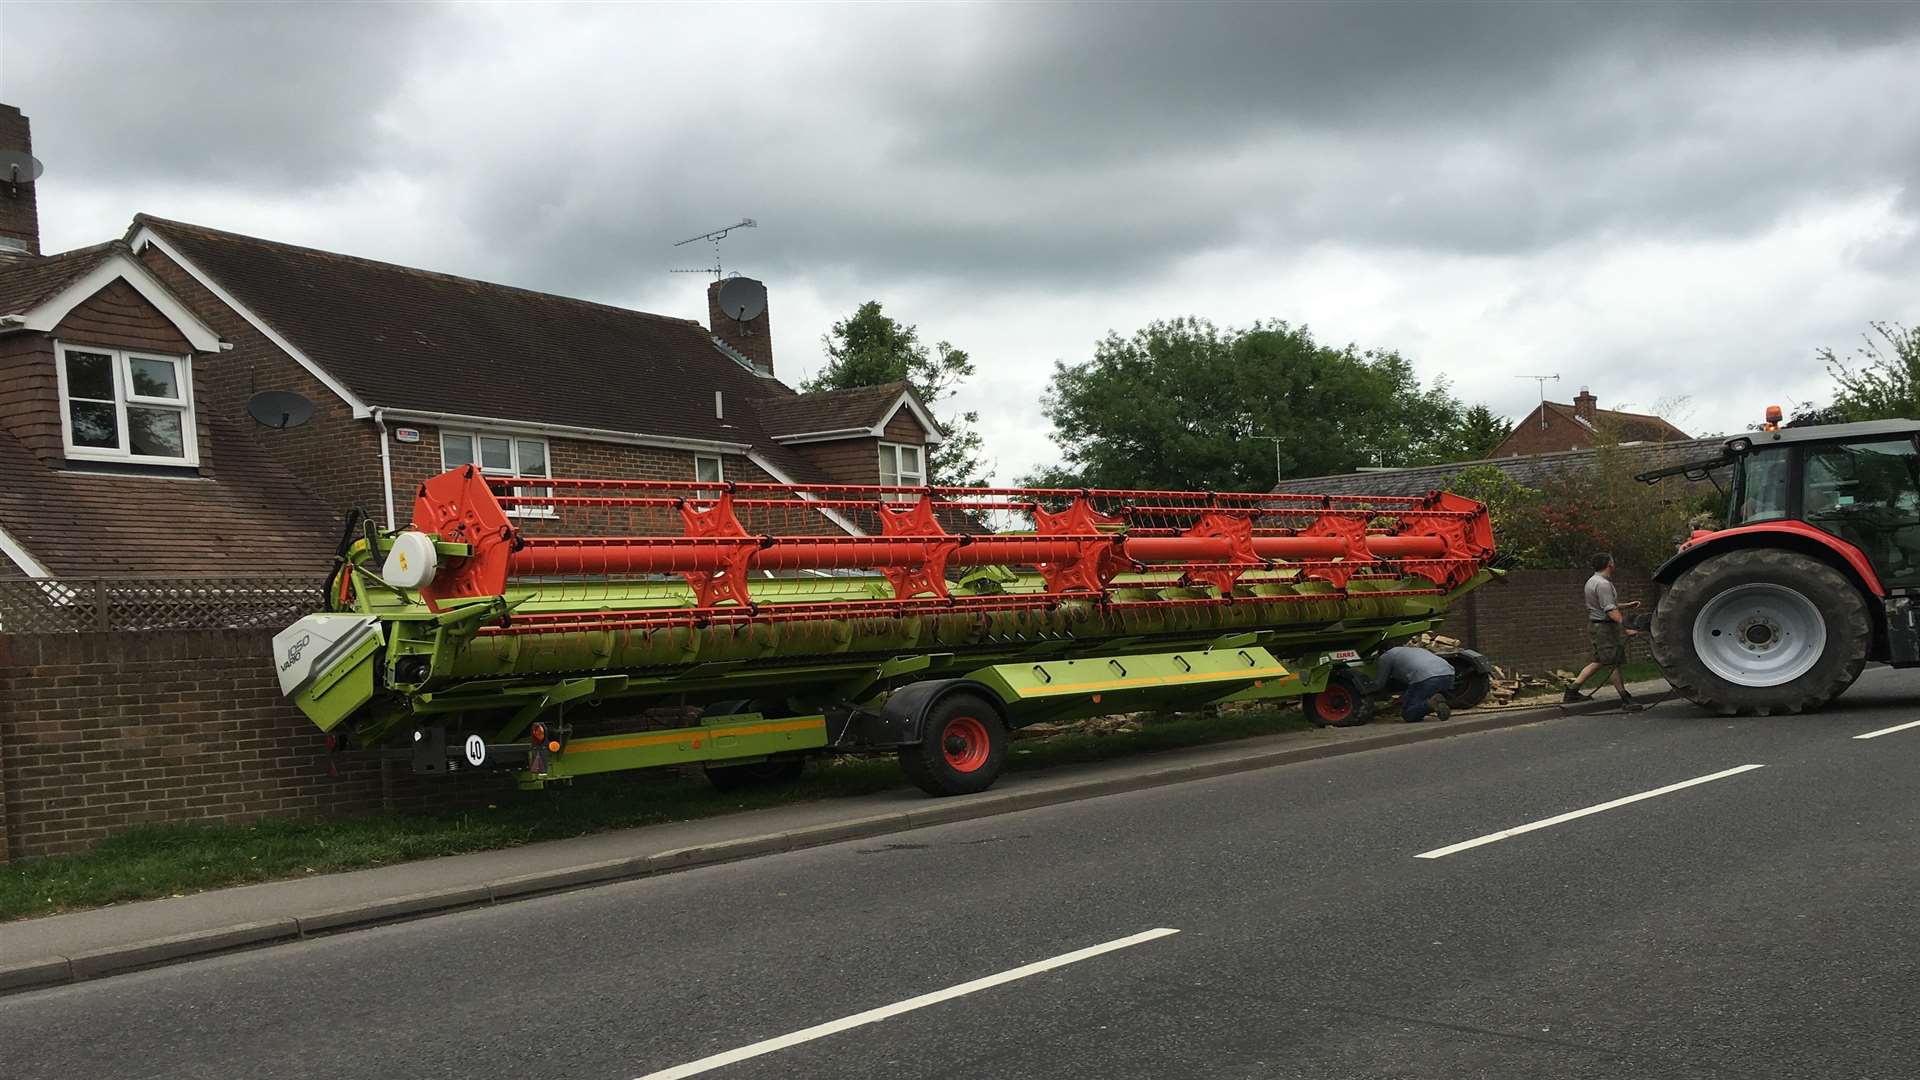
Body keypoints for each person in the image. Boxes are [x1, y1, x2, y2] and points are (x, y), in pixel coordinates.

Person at [1563, 551, 1639, 705]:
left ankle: (1572, 691)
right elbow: (1610, 610)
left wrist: (1626, 605)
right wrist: (1627, 627)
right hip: (1604, 628)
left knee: (1599, 661)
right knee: (1612, 663)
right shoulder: (1603, 584)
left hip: (1597, 626)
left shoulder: (1593, 581)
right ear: (1609, 564)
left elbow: (1605, 605)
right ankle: (1625, 698)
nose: (1614, 563)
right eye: (1612, 560)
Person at [1364, 645, 1455, 723]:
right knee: (1420, 698)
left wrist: (1366, 692)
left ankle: (1431, 703)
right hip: (1448, 674)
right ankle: (1436, 705)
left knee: (1408, 714)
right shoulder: (1412, 650)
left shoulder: (1386, 656)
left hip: (1426, 677)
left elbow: (1379, 684)